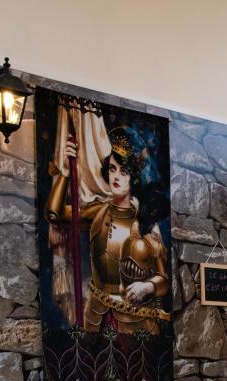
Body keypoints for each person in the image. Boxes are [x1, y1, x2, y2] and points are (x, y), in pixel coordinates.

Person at [44, 103, 169, 335]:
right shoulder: (99, 211)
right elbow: (55, 214)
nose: (116, 177)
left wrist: (148, 287)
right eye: (112, 169)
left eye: (124, 171)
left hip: (136, 324)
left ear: (134, 178)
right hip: (95, 319)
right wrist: (65, 174)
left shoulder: (145, 221)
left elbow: (163, 279)